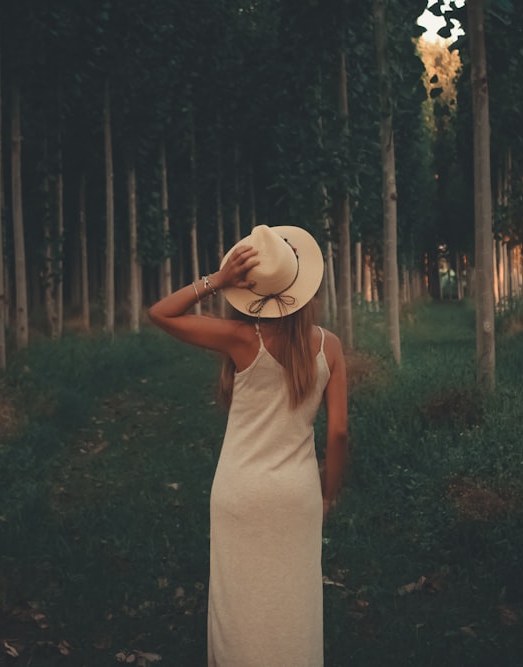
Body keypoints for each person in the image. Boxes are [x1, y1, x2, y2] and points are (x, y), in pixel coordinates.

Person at [148, 224, 349, 666]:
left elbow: (160, 314)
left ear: (252, 288)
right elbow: (338, 433)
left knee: (240, 608)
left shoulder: (240, 340)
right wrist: (328, 493)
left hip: (239, 493)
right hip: (296, 495)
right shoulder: (329, 347)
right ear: (302, 286)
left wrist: (216, 281)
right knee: (293, 607)